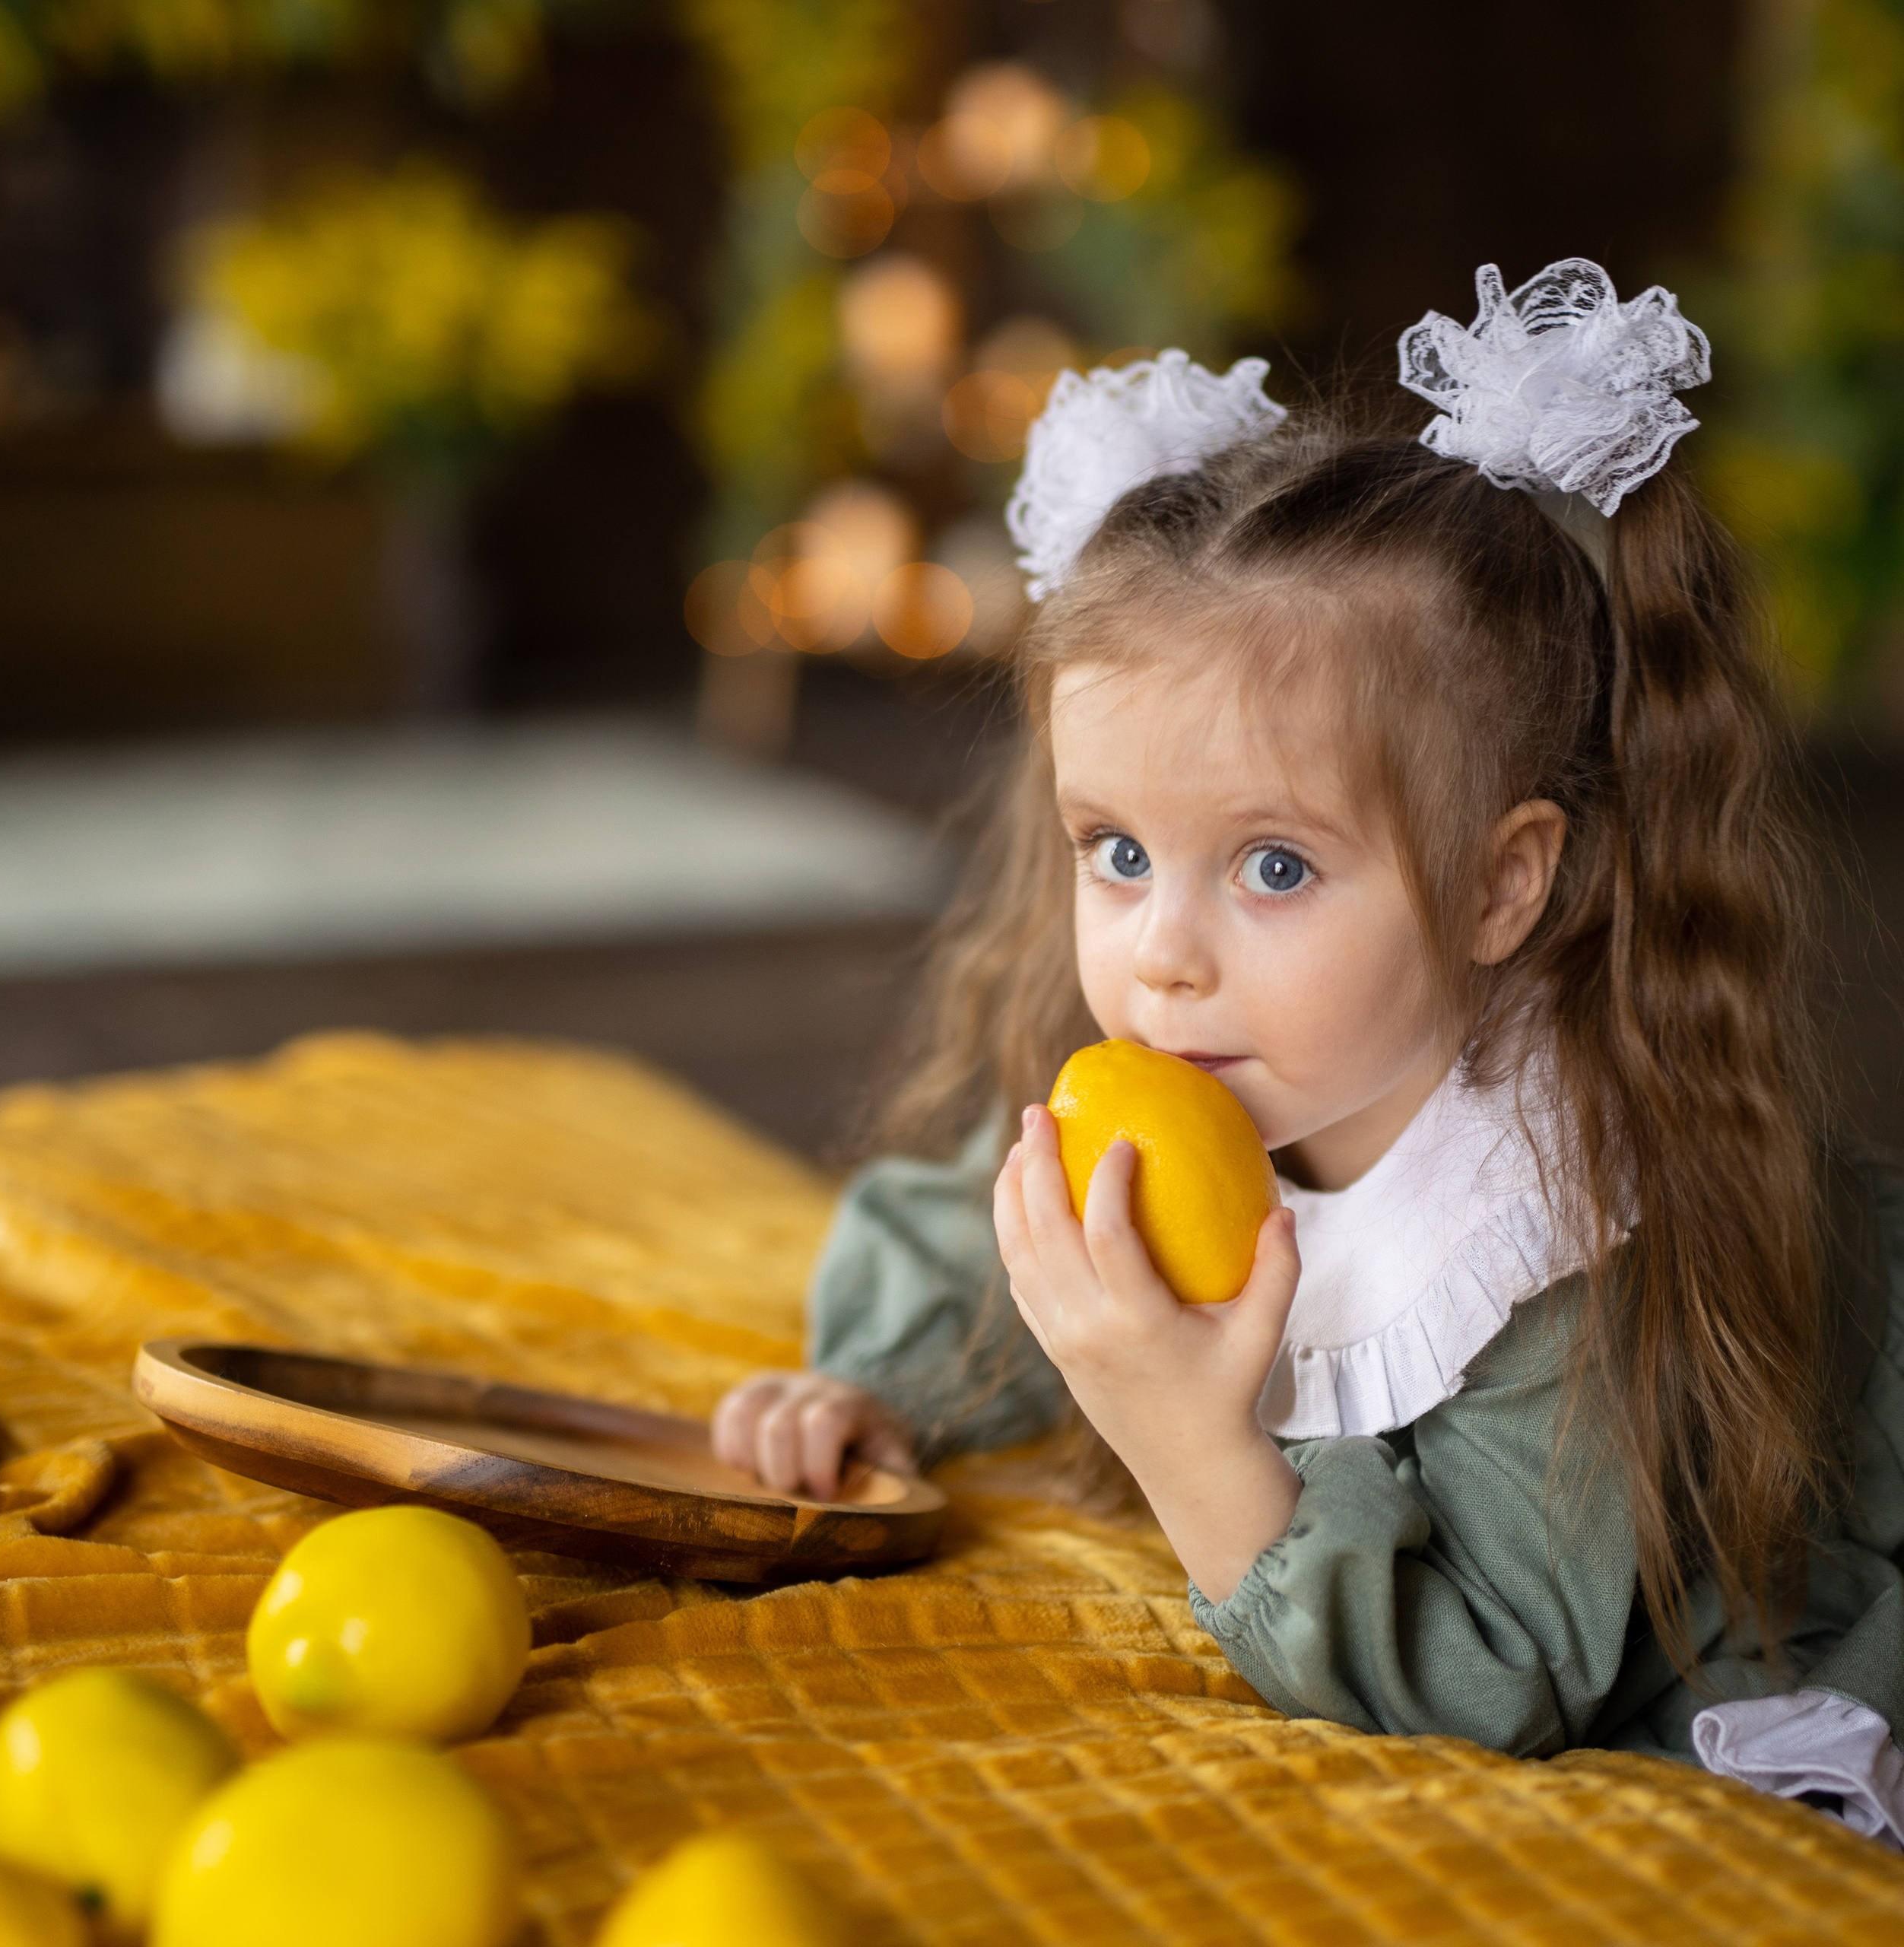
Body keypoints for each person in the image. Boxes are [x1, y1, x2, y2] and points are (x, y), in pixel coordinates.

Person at [711, 259, 1904, 1842]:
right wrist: (861, 1384)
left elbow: (1491, 1681)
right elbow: (982, 1236)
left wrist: (1192, 1445)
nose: (1160, 948)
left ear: (1499, 881)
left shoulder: (1552, 1228)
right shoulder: (1237, 1061)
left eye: (1272, 865)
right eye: (1115, 849)